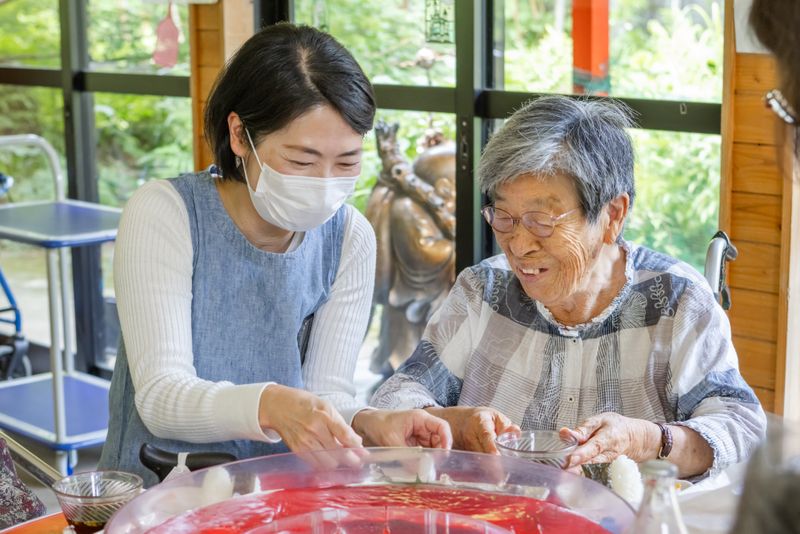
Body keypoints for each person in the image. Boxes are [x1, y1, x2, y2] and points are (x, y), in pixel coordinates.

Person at [99, 23, 450, 486]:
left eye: (346, 162)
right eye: (302, 161)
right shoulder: (166, 214)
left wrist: (367, 422)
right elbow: (162, 399)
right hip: (158, 491)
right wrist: (273, 404)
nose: (325, 182)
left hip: (276, 496)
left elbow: (326, 395)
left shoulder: (350, 238)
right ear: (240, 136)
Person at [370, 95, 766, 480]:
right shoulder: (483, 291)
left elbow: (738, 424)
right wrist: (449, 422)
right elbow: (396, 396)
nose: (520, 245)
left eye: (542, 221)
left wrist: (648, 439)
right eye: (504, 216)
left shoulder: (676, 301)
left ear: (612, 215)